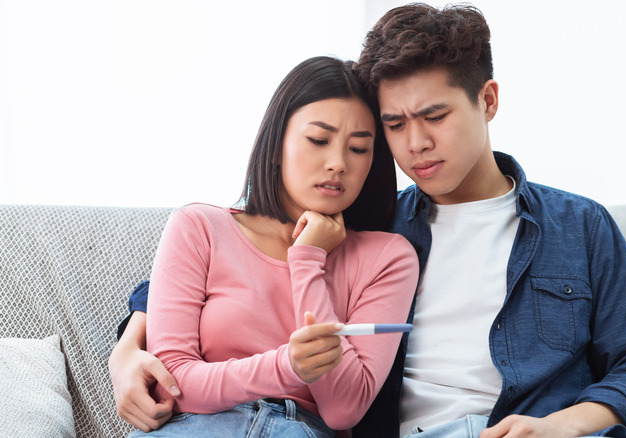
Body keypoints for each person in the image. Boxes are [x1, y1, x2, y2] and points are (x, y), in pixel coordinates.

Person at [111, 4, 626, 438]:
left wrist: (558, 425)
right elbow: (221, 267)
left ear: (488, 100)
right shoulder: (376, 225)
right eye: (395, 124)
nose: (417, 144)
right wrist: (128, 350)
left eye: (435, 116)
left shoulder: (579, 227)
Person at [114, 55, 419, 437]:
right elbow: (171, 385)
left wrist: (308, 259)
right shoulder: (199, 227)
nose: (338, 163)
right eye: (318, 140)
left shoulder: (388, 258)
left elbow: (344, 410)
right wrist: (287, 366)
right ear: (277, 146)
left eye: (359, 149)